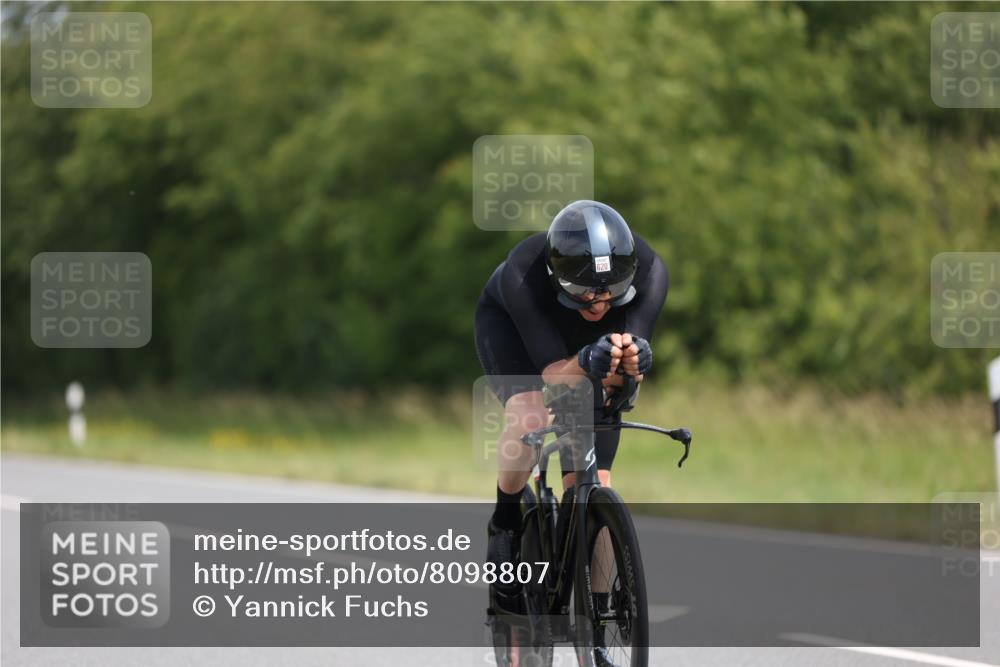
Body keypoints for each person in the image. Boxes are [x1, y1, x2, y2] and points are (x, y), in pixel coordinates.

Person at [474, 200, 669, 658]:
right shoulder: (523, 273)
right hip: (517, 331)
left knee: (597, 478)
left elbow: (626, 378)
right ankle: (505, 522)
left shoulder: (650, 272)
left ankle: (596, 619)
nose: (598, 303)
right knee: (531, 415)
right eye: (585, 293)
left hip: (588, 345)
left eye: (609, 292)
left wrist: (633, 363)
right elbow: (553, 377)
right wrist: (584, 360)